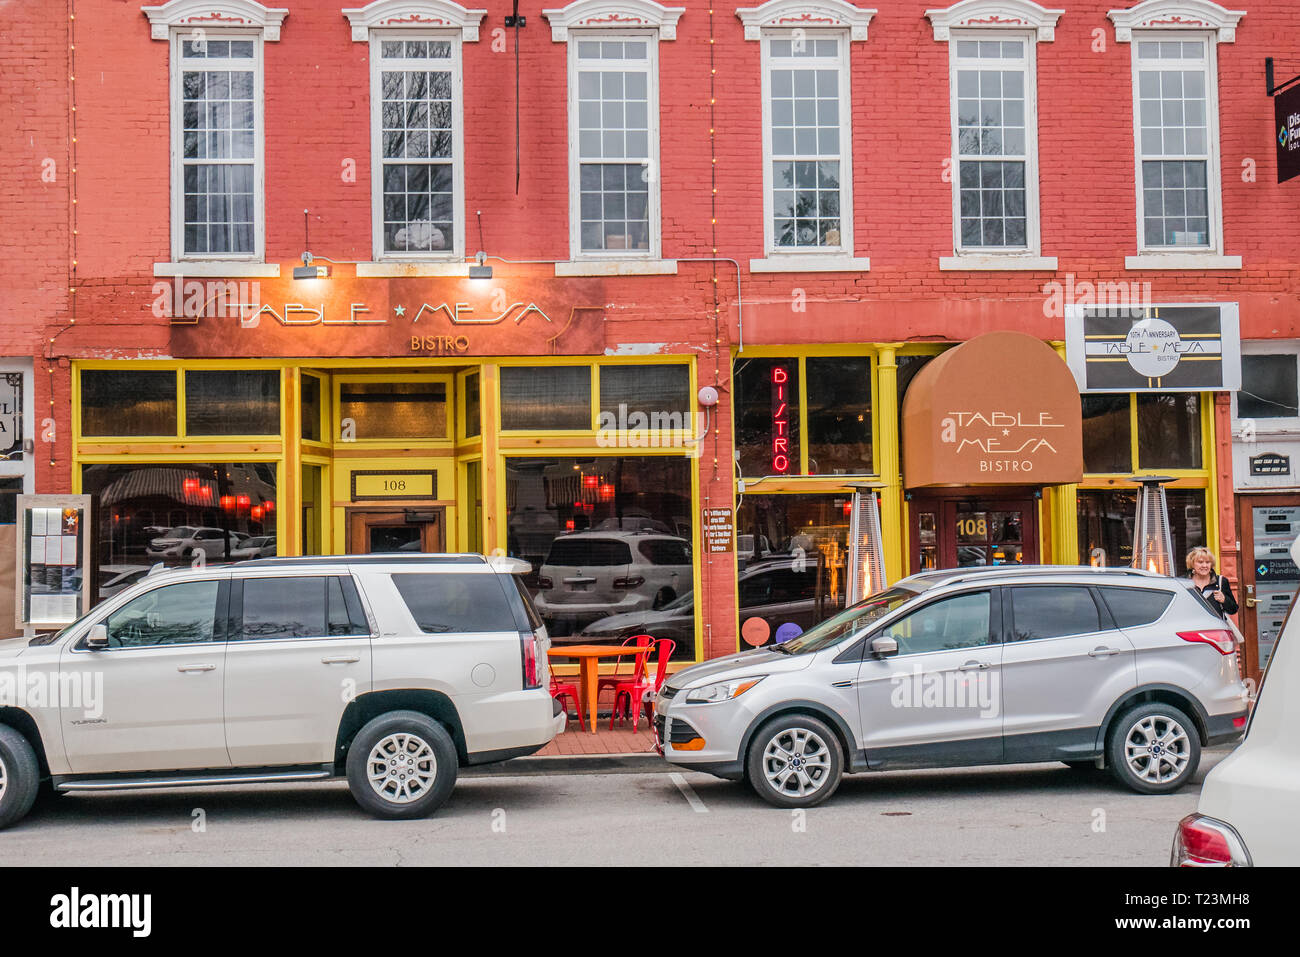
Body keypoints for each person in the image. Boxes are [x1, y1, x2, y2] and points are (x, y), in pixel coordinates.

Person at [1186, 546, 1238, 619]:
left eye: (1207, 562)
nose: (1204, 565)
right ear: (1192, 564)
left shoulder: (1221, 581)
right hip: (1192, 628)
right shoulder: (1184, 582)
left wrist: (1224, 600)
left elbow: (1233, 610)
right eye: (1200, 562)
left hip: (1215, 628)